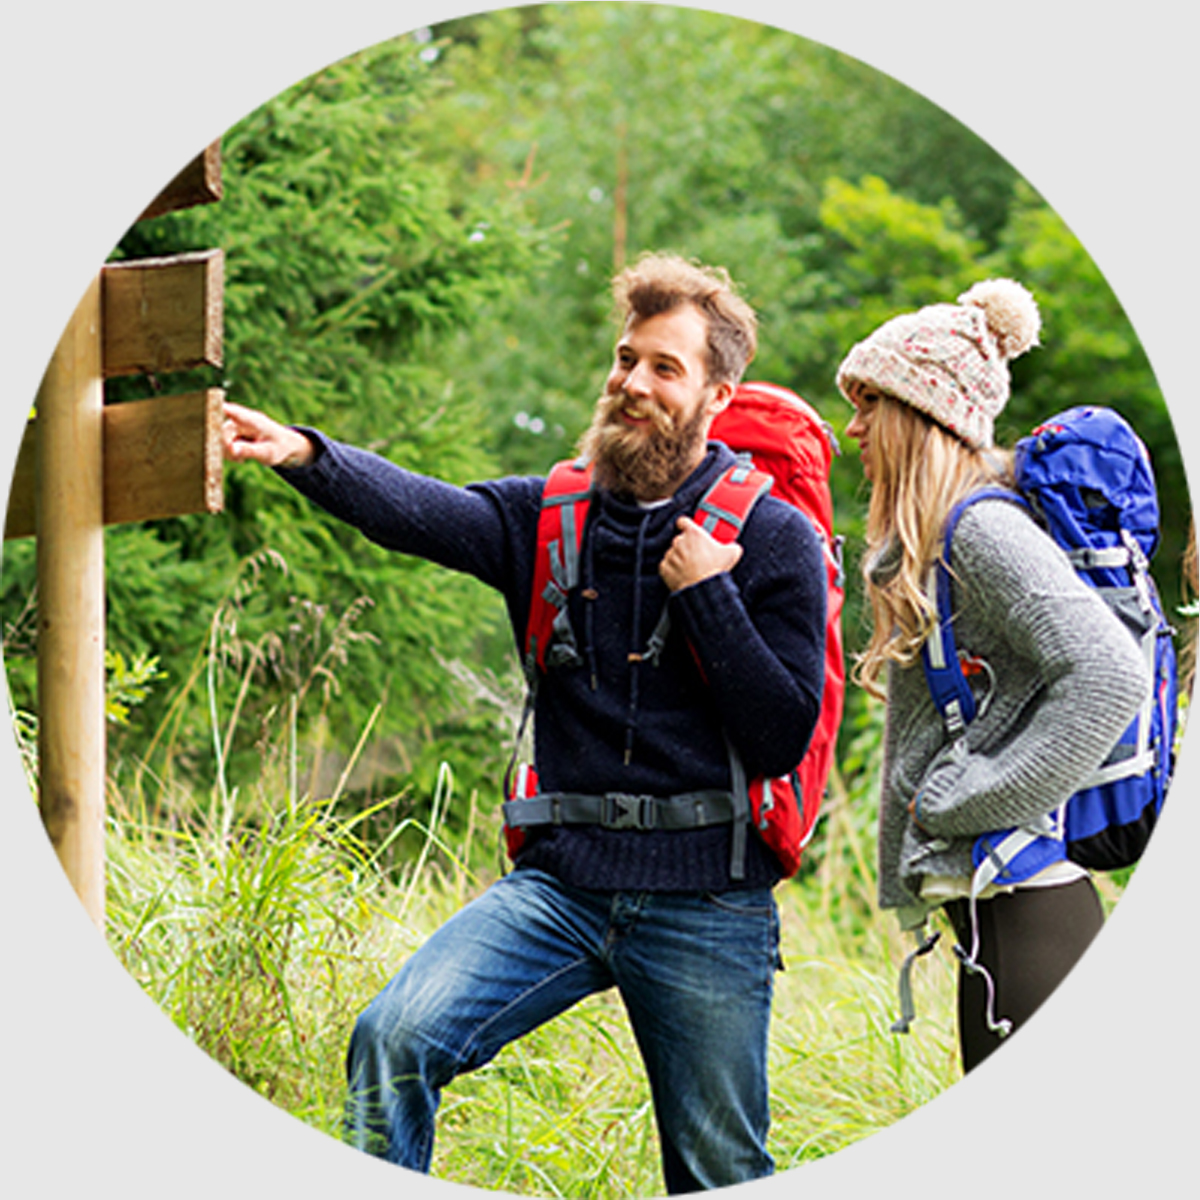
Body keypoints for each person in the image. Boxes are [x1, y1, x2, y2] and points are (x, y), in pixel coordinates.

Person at [221, 252, 827, 1191]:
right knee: (395, 1039)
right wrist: (306, 454)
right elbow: (420, 511)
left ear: (717, 394)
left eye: (666, 368)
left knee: (720, 1171)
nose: (633, 383)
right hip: (564, 889)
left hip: (709, 900)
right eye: (626, 360)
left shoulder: (773, 536)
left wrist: (710, 596)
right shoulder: (545, 515)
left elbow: (781, 732)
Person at [834, 279, 1151, 1073]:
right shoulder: (945, 540)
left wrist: (964, 798)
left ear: (922, 413)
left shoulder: (980, 532)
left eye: (872, 404)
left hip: (1030, 918)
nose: (854, 427)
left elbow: (1108, 674)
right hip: (1006, 918)